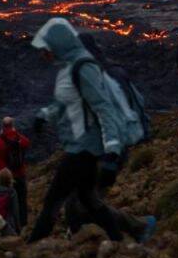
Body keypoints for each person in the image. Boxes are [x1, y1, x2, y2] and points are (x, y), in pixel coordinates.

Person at [28, 17, 152, 244]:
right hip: (99, 148)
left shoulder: (93, 74)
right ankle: (125, 234)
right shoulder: (101, 73)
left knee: (77, 203)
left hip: (103, 150)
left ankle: (123, 236)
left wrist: (111, 155)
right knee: (84, 200)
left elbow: (107, 113)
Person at [0, 116, 31, 230]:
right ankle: (23, 223)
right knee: (22, 200)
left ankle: (8, 226)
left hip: (5, 178)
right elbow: (27, 143)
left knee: (6, 203)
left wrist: (0, 135)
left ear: (2, 126)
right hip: (20, 174)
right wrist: (15, 133)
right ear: (13, 125)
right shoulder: (19, 138)